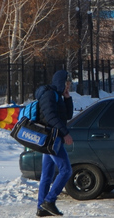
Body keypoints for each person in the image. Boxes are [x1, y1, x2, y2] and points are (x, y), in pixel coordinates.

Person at [35, 70, 74, 217]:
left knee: (47, 174)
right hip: (52, 138)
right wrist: (65, 133)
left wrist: (67, 98)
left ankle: (41, 208)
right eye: (66, 84)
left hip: (53, 138)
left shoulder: (58, 96)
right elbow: (50, 117)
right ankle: (49, 201)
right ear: (60, 82)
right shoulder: (49, 95)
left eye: (69, 84)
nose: (68, 87)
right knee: (66, 170)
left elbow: (68, 116)